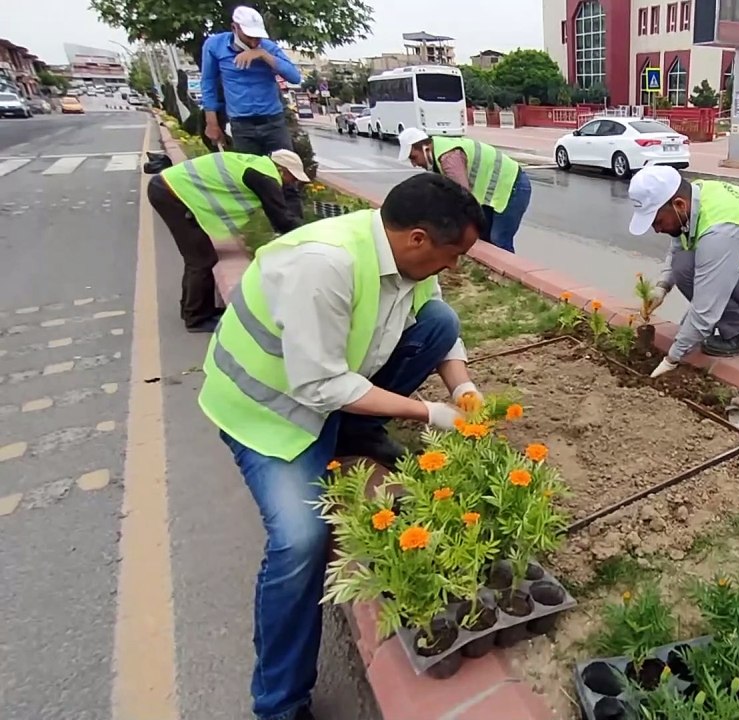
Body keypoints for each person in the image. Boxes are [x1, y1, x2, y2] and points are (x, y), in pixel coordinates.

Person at [198, 172, 488, 720]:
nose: (454, 267)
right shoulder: (325, 265)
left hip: (327, 388)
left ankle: (355, 434)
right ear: (418, 238)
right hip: (270, 411)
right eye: (454, 255)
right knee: (301, 541)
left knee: (438, 319)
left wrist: (463, 388)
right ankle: (280, 702)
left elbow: (441, 329)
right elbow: (319, 386)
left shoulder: (403, 257)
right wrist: (429, 413)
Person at [626, 165, 739, 377]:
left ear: (679, 205)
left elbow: (706, 308)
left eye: (658, 221)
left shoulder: (721, 234)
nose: (657, 229)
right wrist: (662, 287)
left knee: (688, 268)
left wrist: (672, 359)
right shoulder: (695, 195)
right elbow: (679, 244)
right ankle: (731, 322)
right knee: (685, 262)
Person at [148, 149, 307, 332]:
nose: (293, 183)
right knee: (201, 261)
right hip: (171, 194)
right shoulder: (265, 177)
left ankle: (195, 309)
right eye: (293, 177)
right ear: (282, 170)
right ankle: (196, 318)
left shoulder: (257, 164)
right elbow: (281, 219)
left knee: (200, 258)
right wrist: (309, 233)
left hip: (170, 190)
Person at [200, 6, 304, 214]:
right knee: (254, 179)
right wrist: (212, 123)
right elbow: (208, 84)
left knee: (287, 175)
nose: (255, 41)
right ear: (234, 28)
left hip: (273, 122)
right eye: (250, 37)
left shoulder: (267, 47)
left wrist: (262, 55)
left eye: (258, 37)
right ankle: (273, 222)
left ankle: (295, 224)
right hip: (242, 125)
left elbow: (294, 77)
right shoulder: (215, 46)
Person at [397, 127, 531, 253]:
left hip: (513, 187)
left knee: (499, 240)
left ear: (424, 148)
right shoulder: (439, 151)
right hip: (498, 192)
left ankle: (510, 269)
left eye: (413, 157)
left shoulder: (448, 158)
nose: (414, 164)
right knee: (484, 237)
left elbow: (462, 197)